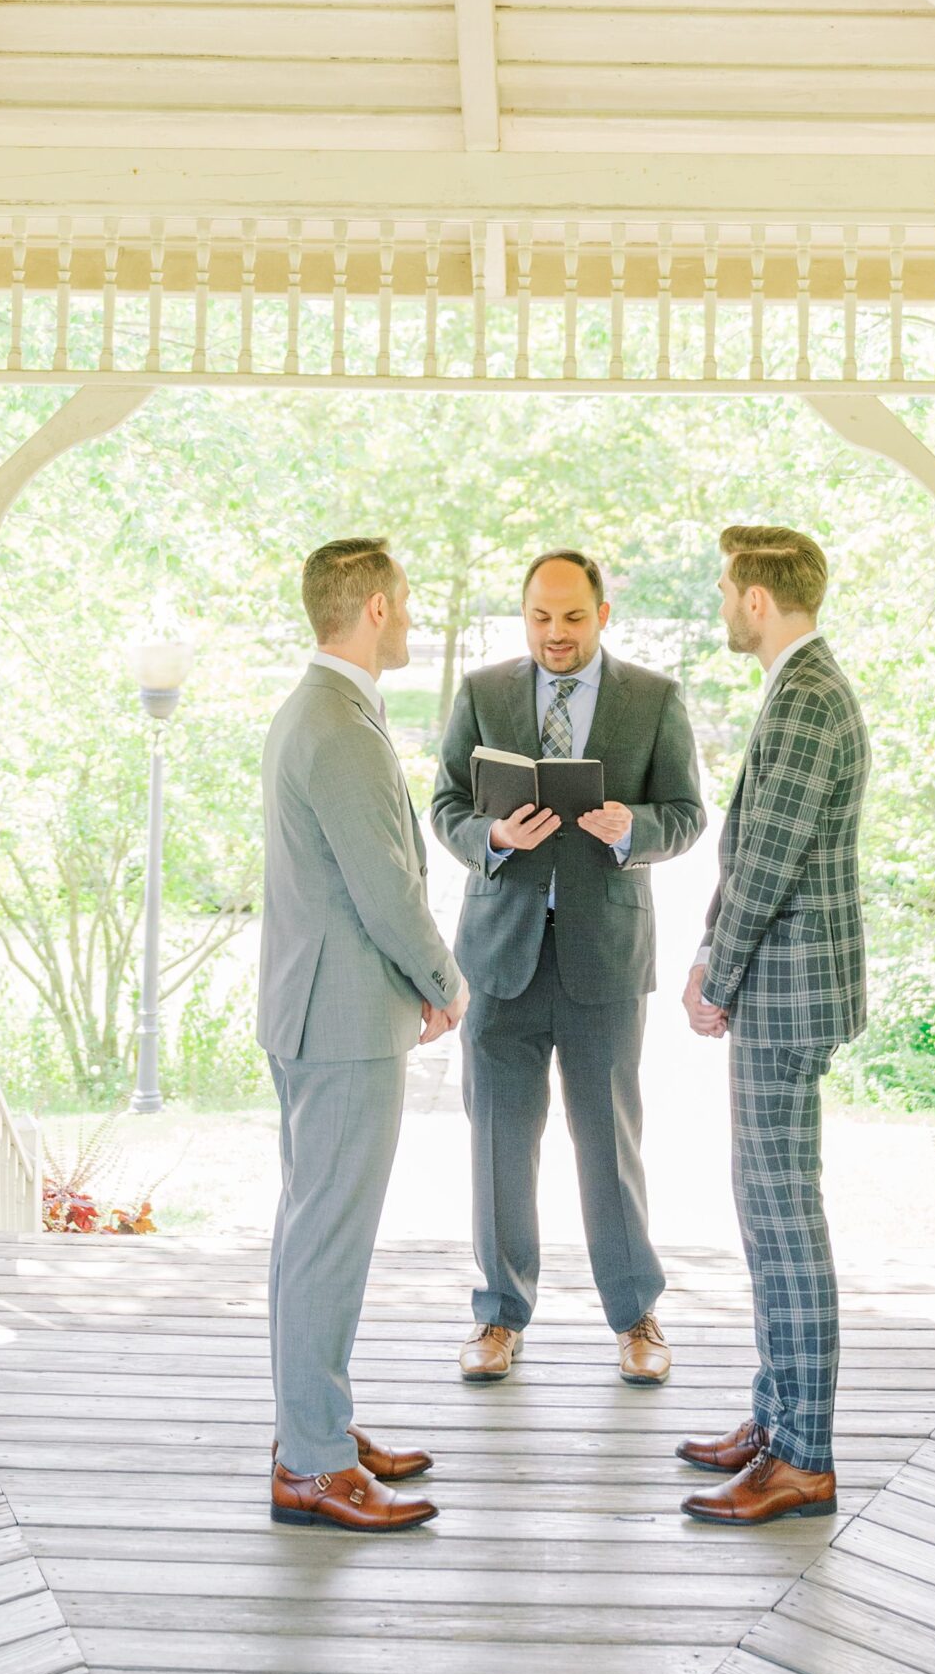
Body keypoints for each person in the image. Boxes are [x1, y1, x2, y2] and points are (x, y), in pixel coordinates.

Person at [431, 550, 704, 1385]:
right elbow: (444, 804)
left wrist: (632, 828)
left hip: (604, 961)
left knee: (607, 1145)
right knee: (499, 1147)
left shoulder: (654, 699)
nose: (556, 634)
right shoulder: (480, 691)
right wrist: (492, 839)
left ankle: (635, 1319)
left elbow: (687, 814)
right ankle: (498, 1319)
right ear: (523, 614)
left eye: (573, 618)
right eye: (541, 617)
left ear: (603, 614)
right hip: (499, 957)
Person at [260, 537, 467, 1534]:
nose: (415, 617)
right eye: (409, 601)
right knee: (325, 1240)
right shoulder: (336, 723)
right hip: (338, 1018)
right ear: (375, 606)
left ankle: (317, 1428)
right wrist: (442, 977)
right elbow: (380, 881)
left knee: (311, 1230)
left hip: (324, 1007)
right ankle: (311, 1461)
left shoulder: (323, 707)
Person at [676, 524, 868, 1527]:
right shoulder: (803, 686)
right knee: (768, 1209)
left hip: (786, 989)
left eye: (723, 589)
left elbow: (767, 862)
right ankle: (772, 1415)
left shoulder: (803, 697)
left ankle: (801, 1453)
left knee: (782, 1219)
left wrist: (716, 968)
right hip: (790, 983)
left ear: (758, 599)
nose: (719, 603)